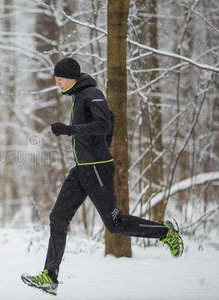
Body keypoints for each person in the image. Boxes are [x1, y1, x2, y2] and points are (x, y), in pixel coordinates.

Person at [21, 57, 184, 296]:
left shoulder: (91, 93)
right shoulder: (79, 96)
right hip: (82, 169)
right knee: (58, 217)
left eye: (60, 78)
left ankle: (166, 233)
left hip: (96, 168)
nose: (57, 82)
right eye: (55, 78)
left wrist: (71, 130)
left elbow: (104, 124)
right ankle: (50, 276)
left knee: (114, 224)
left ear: (72, 77)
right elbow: (112, 120)